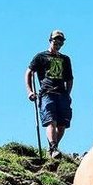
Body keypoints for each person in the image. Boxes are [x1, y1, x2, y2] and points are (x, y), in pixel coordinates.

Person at [25, 29, 73, 158]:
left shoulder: (65, 59)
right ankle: (53, 147)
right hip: (47, 93)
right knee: (51, 121)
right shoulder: (41, 57)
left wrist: (68, 94)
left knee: (62, 125)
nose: (58, 43)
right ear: (50, 40)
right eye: (55, 40)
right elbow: (29, 72)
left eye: (60, 41)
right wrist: (30, 91)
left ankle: (52, 148)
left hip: (62, 94)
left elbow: (69, 79)